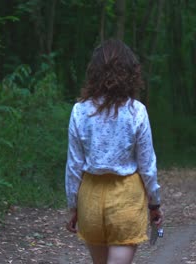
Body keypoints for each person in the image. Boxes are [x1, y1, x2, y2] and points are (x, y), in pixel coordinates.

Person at [65, 39, 163, 264]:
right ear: (130, 73)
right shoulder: (136, 111)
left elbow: (74, 165)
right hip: (125, 199)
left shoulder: (80, 111)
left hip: (90, 198)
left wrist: (73, 205)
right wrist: (154, 204)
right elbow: (147, 165)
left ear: (94, 73)